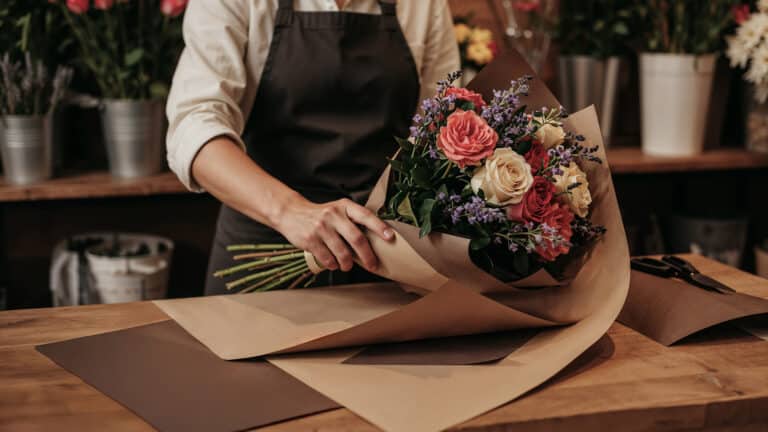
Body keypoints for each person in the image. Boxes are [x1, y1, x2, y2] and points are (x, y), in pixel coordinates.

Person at [166, 0, 460, 295]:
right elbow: (194, 126)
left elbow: (441, 126)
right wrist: (290, 210)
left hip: (390, 255)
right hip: (264, 256)